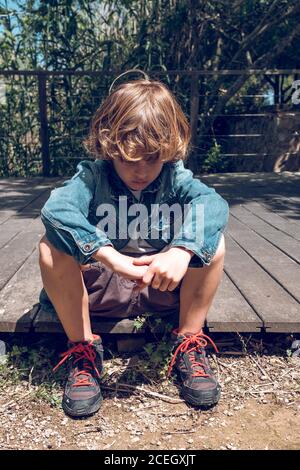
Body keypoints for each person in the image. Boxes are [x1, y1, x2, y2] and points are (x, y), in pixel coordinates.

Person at [38, 70, 229, 418]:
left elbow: (213, 205)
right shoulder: (92, 177)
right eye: (127, 159)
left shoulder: (175, 178)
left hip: (160, 288)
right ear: (109, 147)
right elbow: (56, 209)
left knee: (213, 245)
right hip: (101, 293)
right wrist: (111, 258)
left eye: (152, 159)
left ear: (169, 152)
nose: (140, 171)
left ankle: (187, 341)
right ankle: (82, 350)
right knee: (50, 248)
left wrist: (181, 250)